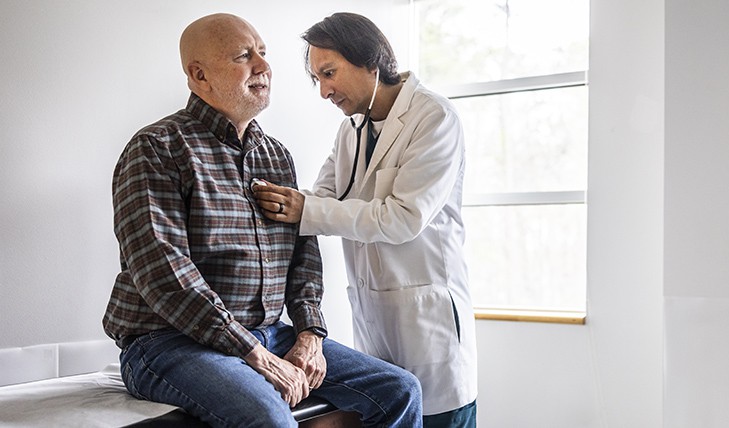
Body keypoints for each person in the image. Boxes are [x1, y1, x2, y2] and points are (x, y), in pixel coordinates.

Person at [102, 13, 422, 428]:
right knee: (269, 417)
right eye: (243, 56)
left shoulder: (275, 156)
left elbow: (302, 256)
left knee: (400, 390)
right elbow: (164, 274)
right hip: (167, 341)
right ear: (199, 75)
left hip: (268, 331)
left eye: (263, 53)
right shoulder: (157, 149)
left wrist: (309, 335)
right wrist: (254, 354)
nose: (263, 66)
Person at [252, 12, 478, 428]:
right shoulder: (351, 130)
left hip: (427, 324)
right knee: (391, 403)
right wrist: (267, 200)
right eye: (317, 79)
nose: (324, 91)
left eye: (329, 73)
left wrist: (304, 209)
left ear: (370, 60)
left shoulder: (433, 118)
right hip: (375, 318)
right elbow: (320, 198)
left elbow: (403, 218)